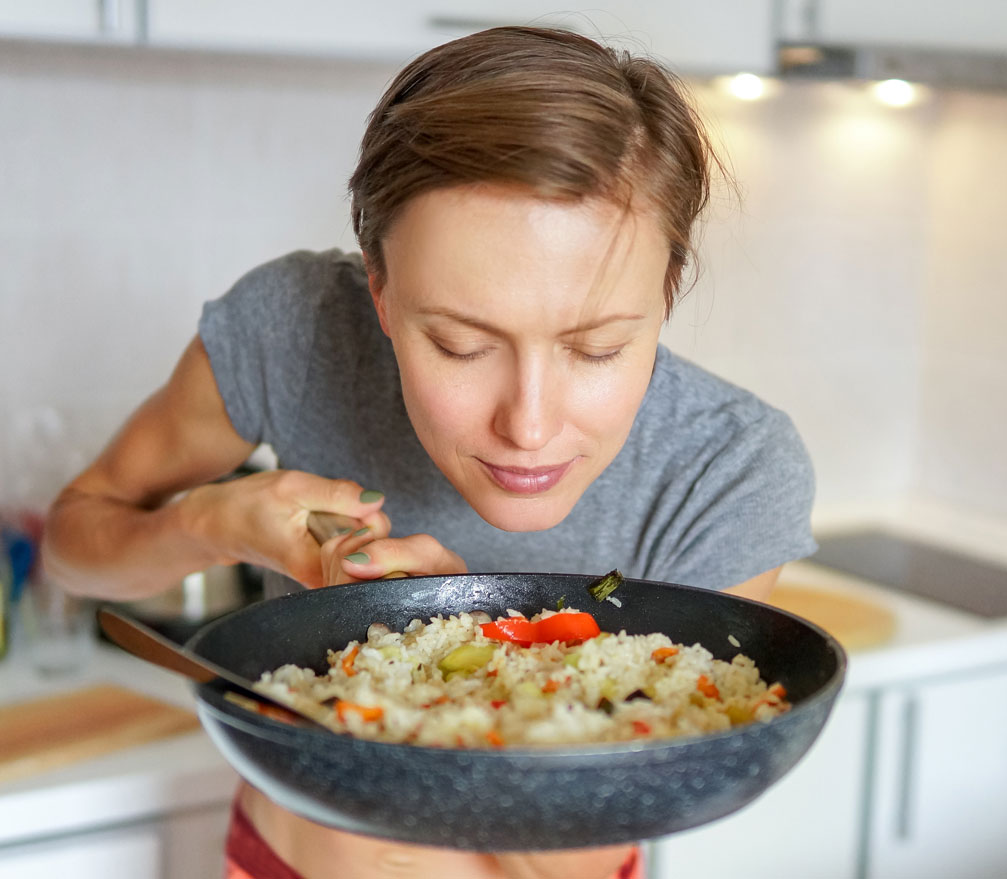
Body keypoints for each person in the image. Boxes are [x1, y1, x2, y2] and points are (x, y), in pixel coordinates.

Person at [42, 26, 816, 879]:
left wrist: (455, 637)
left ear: (666, 295)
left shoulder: (730, 467)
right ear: (379, 289)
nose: (528, 425)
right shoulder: (296, 329)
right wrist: (214, 520)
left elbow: (594, 830)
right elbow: (74, 553)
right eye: (458, 343)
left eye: (596, 349)